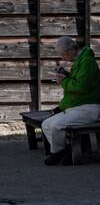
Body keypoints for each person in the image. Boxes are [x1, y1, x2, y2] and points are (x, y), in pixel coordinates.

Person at [43, 36, 100, 165]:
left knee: (57, 126)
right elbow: (78, 81)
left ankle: (59, 153)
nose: (63, 58)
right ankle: (65, 152)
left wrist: (63, 80)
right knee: (46, 124)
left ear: (71, 50)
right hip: (77, 107)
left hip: (89, 108)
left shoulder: (87, 62)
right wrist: (66, 74)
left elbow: (82, 87)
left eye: (63, 55)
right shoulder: (79, 62)